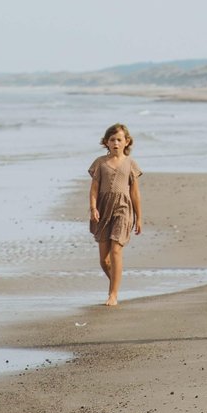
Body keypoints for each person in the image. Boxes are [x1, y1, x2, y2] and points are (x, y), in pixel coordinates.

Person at [88, 123, 142, 307]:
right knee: (104, 259)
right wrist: (93, 207)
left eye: (119, 139)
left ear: (127, 142)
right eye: (112, 140)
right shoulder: (100, 163)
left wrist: (139, 217)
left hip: (123, 209)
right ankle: (116, 282)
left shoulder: (130, 164)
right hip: (103, 210)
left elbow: (135, 193)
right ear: (106, 142)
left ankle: (113, 294)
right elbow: (94, 189)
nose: (116, 143)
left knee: (116, 249)